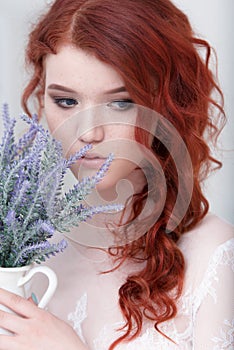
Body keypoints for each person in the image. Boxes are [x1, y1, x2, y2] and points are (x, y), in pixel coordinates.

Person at [0, 0, 233, 349]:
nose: (88, 132)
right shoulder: (25, 247)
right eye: (66, 102)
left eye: (120, 103)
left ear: (167, 104)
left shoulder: (214, 256)